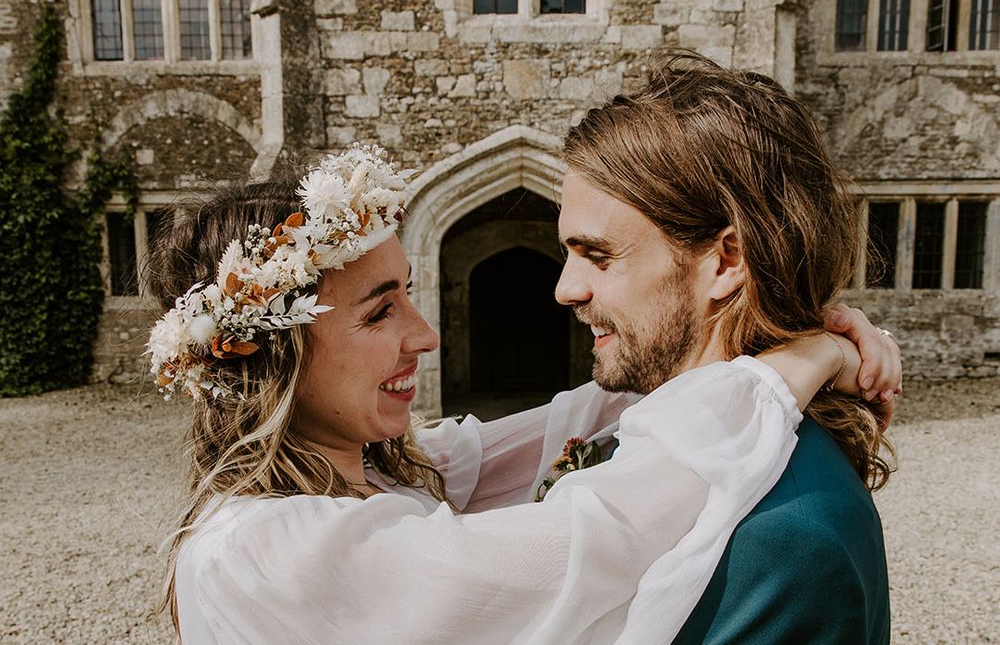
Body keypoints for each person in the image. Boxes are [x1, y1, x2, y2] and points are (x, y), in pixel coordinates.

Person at [146, 144, 898, 644]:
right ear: (270, 356)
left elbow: (583, 418)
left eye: (408, 295)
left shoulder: (375, 468)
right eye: (380, 311)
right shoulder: (261, 551)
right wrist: (790, 368)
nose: (426, 335)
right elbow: (589, 542)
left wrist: (771, 336)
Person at [556, 52, 896, 644]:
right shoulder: (648, 424)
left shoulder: (782, 539)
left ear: (725, 260)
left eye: (599, 255)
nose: (564, 289)